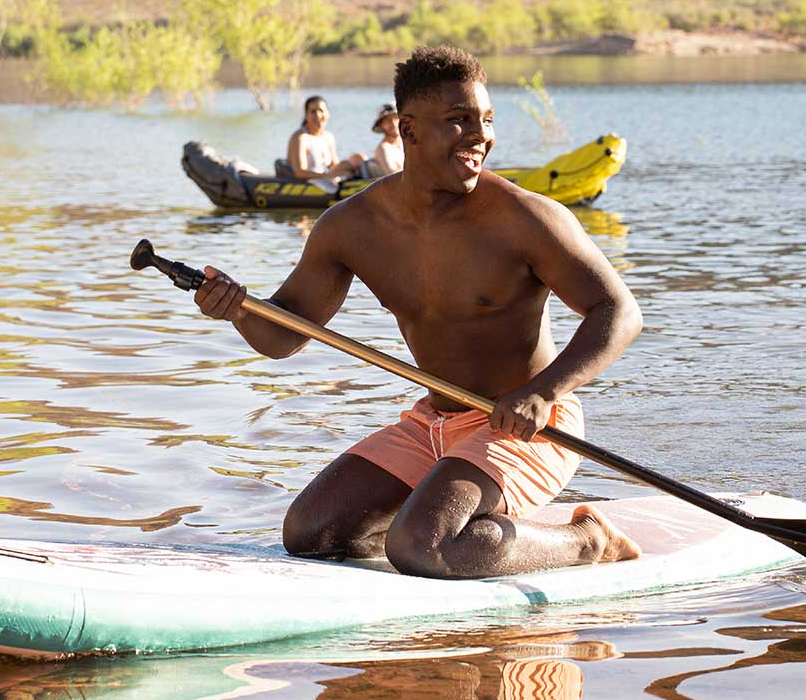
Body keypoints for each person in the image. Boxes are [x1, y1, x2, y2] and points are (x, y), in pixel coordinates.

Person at [194, 45, 643, 579]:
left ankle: (587, 541)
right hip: (433, 424)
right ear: (408, 131)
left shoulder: (526, 218)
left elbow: (618, 311)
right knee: (310, 534)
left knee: (423, 546)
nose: (481, 136)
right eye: (459, 122)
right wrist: (240, 311)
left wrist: (544, 391)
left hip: (528, 424)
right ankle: (443, 526)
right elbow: (285, 334)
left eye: (487, 120)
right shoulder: (351, 227)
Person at [287, 95, 367, 192]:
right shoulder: (300, 138)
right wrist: (328, 176)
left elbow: (333, 165)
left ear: (328, 114)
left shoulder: (328, 137)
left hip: (327, 175)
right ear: (306, 115)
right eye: (313, 111)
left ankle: (369, 185)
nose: (318, 115)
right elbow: (300, 172)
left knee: (360, 157)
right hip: (312, 181)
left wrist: (352, 165)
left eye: (321, 110)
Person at [368, 103, 404, 177]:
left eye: (396, 118)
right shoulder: (383, 149)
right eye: (388, 120)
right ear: (381, 125)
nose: (393, 124)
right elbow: (392, 176)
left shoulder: (406, 145)